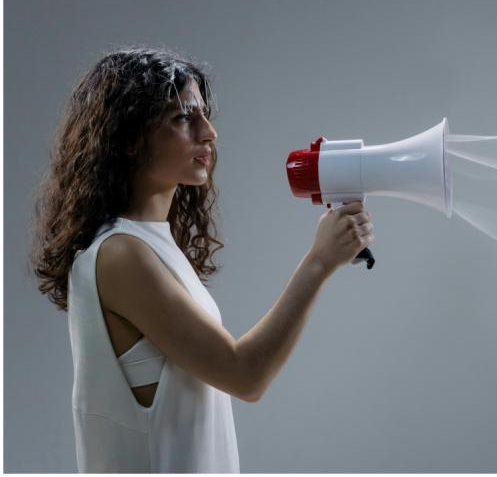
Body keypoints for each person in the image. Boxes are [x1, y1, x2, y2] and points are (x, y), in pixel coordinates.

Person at [28, 47, 374, 472]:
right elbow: (244, 374)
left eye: (204, 115)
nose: (208, 132)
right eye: (182, 118)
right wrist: (319, 262)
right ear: (130, 138)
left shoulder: (151, 245)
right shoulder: (120, 255)